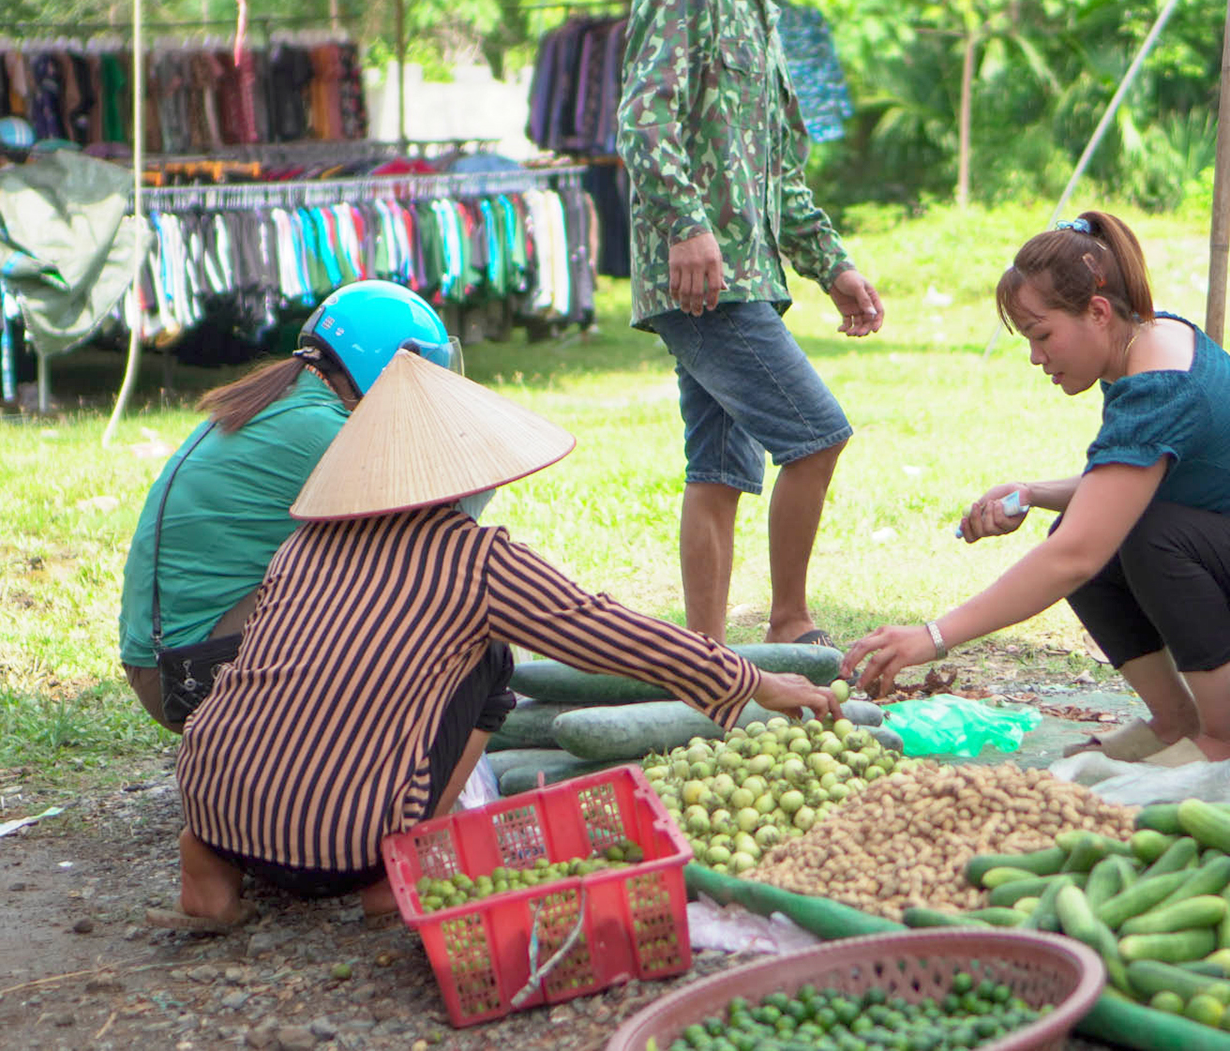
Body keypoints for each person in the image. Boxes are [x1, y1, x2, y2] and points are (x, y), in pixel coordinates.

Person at [164, 350, 840, 929]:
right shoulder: (475, 558)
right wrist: (750, 680)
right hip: (348, 845)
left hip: (215, 802)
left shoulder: (300, 548)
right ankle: (397, 867)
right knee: (491, 663)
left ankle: (210, 873)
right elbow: (609, 633)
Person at [844, 211, 1230, 764]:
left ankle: (1224, 736)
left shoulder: (1159, 388)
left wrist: (933, 636)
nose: (1037, 357)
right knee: (1092, 526)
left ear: (1099, 312)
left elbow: (1078, 555)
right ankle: (1173, 720)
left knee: (1139, 537)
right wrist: (1033, 493)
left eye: (1042, 335)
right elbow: (1124, 486)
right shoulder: (1149, 342)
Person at [616, 0, 885, 649]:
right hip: (708, 282)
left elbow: (779, 174)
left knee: (720, 472)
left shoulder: (761, 13)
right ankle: (791, 623)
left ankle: (705, 659)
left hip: (752, 277)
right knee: (817, 436)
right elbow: (643, 117)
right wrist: (687, 226)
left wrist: (831, 264)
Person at [117, 280, 457, 731]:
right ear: (387, 365)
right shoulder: (322, 430)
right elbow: (428, 548)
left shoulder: (293, 401)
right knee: (402, 580)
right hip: (187, 675)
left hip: (169, 662)